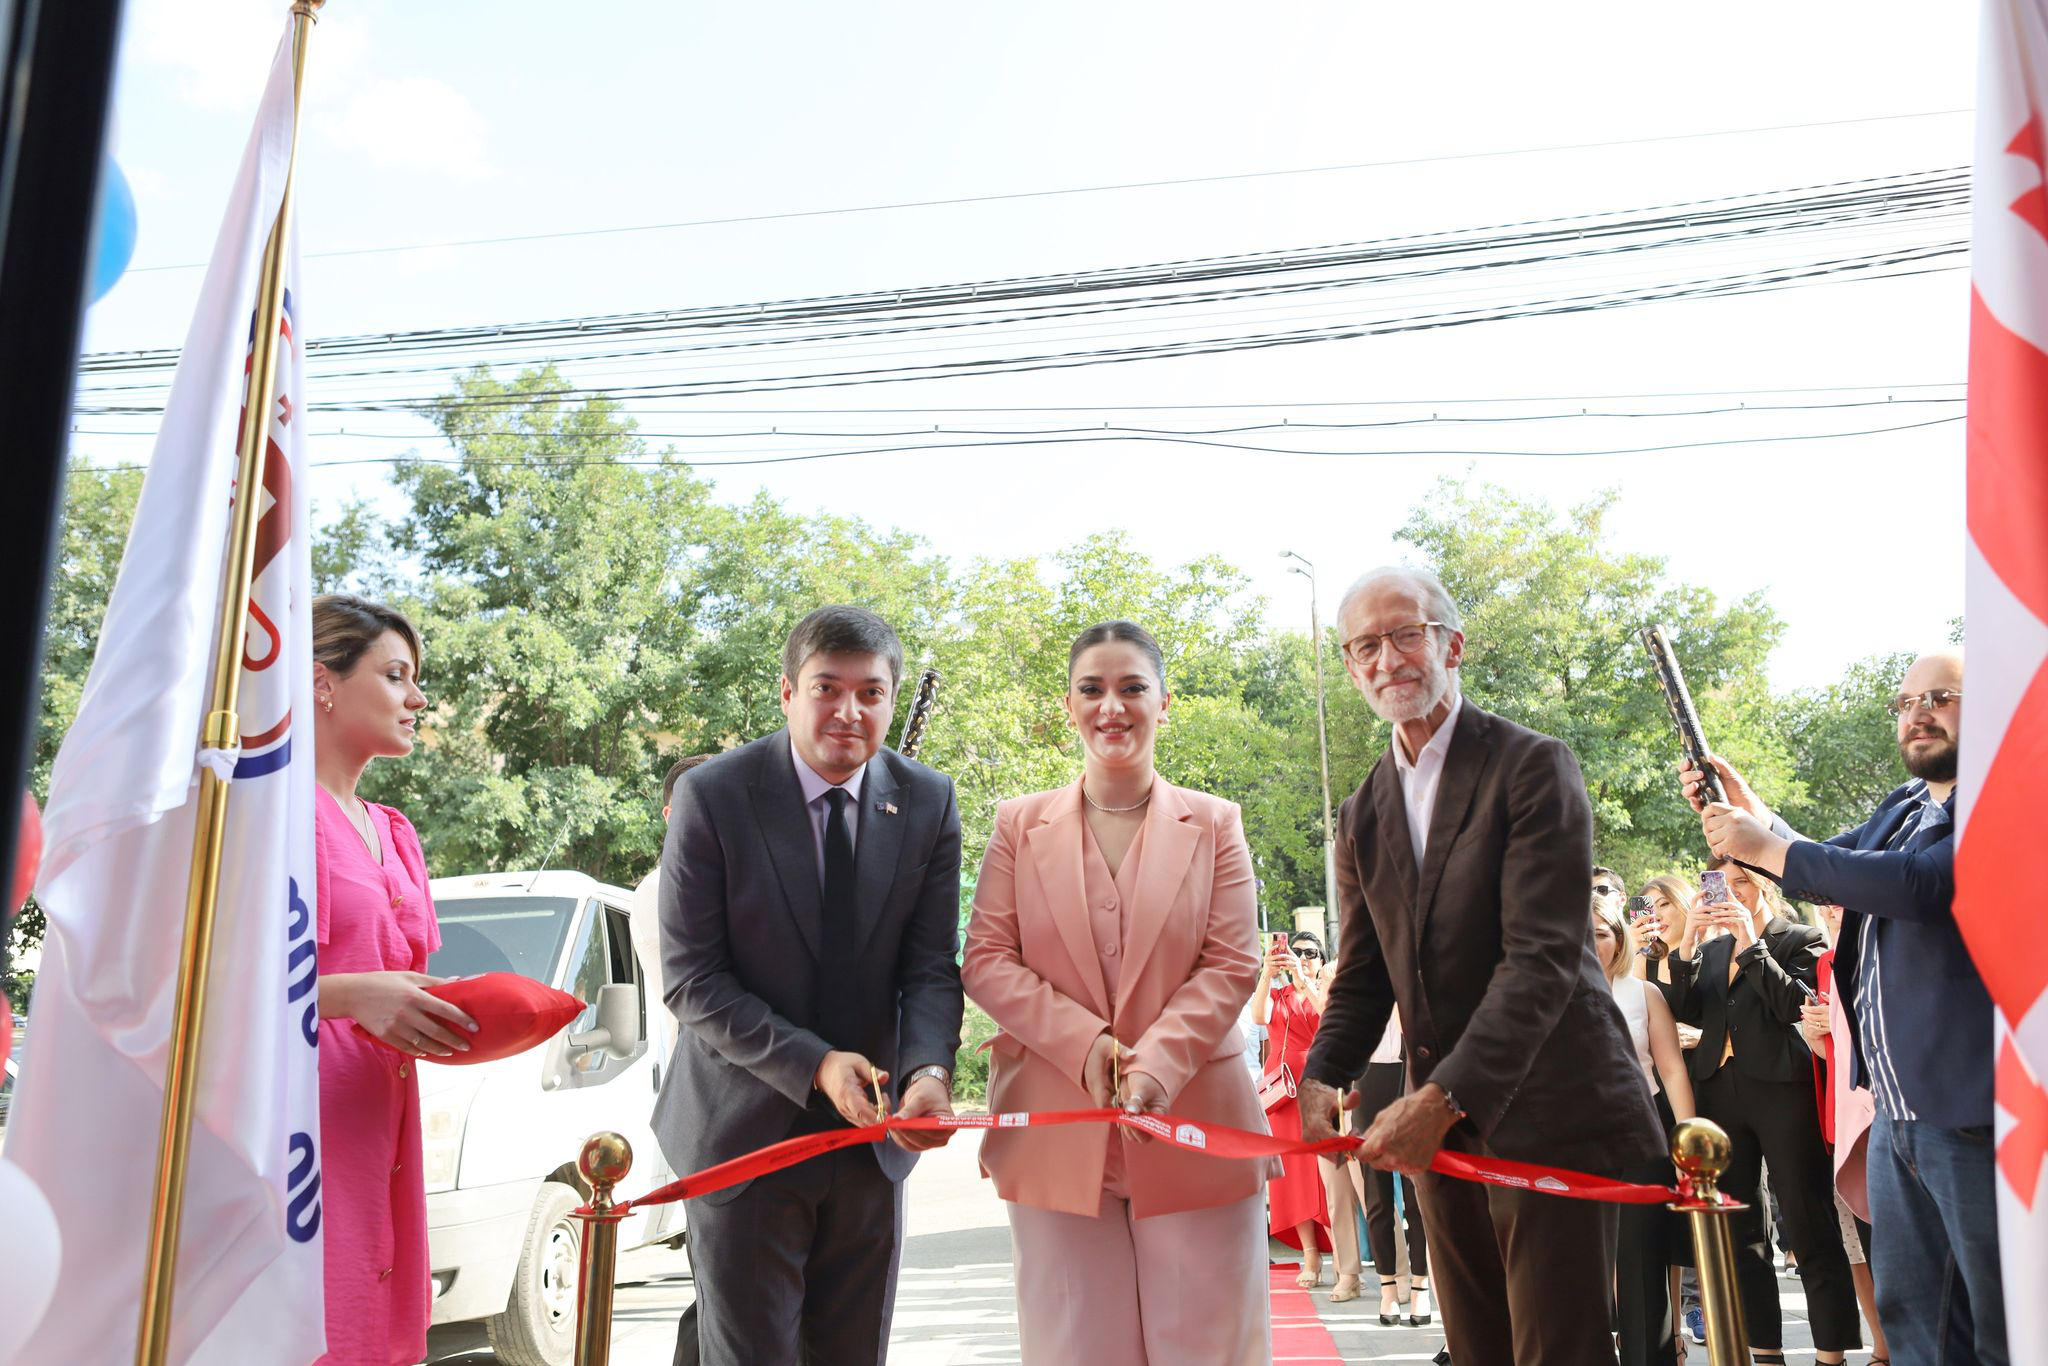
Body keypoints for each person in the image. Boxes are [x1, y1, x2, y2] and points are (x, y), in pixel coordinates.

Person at [1298, 565, 1662, 1366]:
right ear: (1351, 668)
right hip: (1442, 1136)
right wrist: (1321, 1076)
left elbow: (1542, 960)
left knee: (1556, 1351)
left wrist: (1441, 1097)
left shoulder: (1533, 766)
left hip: (1550, 1110)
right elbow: (1364, 971)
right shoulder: (1361, 810)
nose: (1386, 658)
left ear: (1451, 644)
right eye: (1364, 645)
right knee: (1478, 1351)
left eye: (1404, 633)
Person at [652, 605, 964, 1365]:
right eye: (828, 688)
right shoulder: (716, 796)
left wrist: (928, 1073)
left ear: (892, 700)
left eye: (871, 693)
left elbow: (929, 968)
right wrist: (816, 1063)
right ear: (788, 691)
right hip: (741, 1138)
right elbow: (693, 980)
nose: (849, 712)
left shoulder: (927, 800)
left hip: (870, 1145)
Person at [1684, 649, 2006, 1366]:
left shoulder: (2004, 797)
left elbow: (1920, 885)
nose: (1918, 714)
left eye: (1941, 698)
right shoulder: (1903, 805)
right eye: (1906, 702)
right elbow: (1831, 863)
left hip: (1974, 1116)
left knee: (1999, 1325)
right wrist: (1751, 811)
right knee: (1915, 1319)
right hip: (1896, 1114)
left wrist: (1763, 840)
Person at [962, 620, 1271, 1364]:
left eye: (1133, 688)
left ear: (1164, 703)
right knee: (1073, 1349)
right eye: (1092, 689)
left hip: (1197, 1120)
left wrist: (1156, 1062)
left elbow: (1234, 959)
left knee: (1210, 1346)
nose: (1113, 707)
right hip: (1055, 1132)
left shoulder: (1217, 824)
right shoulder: (1015, 825)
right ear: (1067, 706)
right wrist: (1086, 1046)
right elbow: (987, 959)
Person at [309, 593, 478, 1366]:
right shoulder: (265, 816)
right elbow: (207, 986)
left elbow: (413, 982)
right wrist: (351, 996)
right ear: (322, 683)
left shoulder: (395, 830)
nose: (417, 700)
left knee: (382, 1328)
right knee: (317, 1319)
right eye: (397, 676)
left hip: (387, 1111)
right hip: (299, 1121)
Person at [1664, 857, 1857, 1366]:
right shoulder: (1712, 948)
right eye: (1720, 885)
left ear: (1766, 887)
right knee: (1741, 1232)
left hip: (1781, 1090)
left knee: (1808, 1219)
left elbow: (1798, 1007)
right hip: (1719, 1091)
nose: (1731, 893)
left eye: (1742, 883)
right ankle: (1763, 1351)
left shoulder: (1796, 939)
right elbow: (1685, 1010)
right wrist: (1686, 949)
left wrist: (1752, 942)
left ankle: (1830, 1354)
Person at [1591, 891, 1696, 1366]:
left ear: (1618, 940)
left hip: (1640, 1136)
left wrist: (1690, 1142)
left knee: (1642, 1265)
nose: (1589, 943)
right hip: (1571, 1144)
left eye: (1599, 933)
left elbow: (1671, 1070)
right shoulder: (1544, 992)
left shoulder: (1643, 993)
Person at [1799, 901, 1891, 1366]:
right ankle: (1881, 1344)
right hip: (1839, 1113)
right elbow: (1830, 1045)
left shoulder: (1880, 949)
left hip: (1880, 1112)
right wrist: (1814, 1034)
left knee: (1887, 1242)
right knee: (1854, 1242)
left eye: (1839, 900)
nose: (1832, 910)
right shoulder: (1823, 962)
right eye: (1824, 903)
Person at [1254, 930, 1356, 1295]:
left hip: (1318, 1090)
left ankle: (1345, 1263)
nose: (1302, 958)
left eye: (1310, 953)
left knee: (1325, 1177)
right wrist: (1268, 973)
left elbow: (1329, 1016)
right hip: (1283, 1094)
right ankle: (1310, 1256)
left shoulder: (1326, 991)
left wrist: (1303, 980)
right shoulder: (1277, 994)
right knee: (1293, 1176)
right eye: (1295, 952)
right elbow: (1257, 1016)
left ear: (1321, 957)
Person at [1353, 1015, 1432, 1327]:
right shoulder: (1359, 971)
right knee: (1377, 1195)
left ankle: (1420, 1286)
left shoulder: (1412, 970)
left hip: (1411, 1076)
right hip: (1368, 1080)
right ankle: (1387, 1287)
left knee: (1417, 1194)